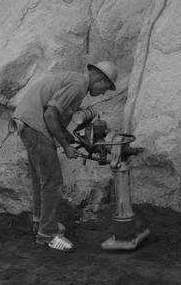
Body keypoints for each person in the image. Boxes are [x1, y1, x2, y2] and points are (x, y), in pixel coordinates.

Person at [10, 61, 118, 252]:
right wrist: (66, 146)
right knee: (53, 182)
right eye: (105, 88)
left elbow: (54, 115)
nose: (103, 93)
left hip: (25, 122)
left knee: (40, 180)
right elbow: (50, 115)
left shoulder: (76, 82)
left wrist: (68, 136)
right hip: (35, 126)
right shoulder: (78, 86)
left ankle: (40, 223)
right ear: (100, 79)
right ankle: (48, 234)